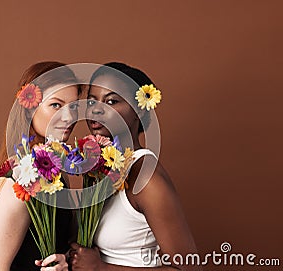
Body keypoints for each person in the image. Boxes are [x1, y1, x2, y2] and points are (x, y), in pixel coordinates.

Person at [70, 62, 199, 271]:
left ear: (139, 110)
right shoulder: (100, 170)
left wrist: (102, 268)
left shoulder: (146, 177)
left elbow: (188, 269)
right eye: (92, 102)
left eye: (111, 101)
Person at [0, 61, 81, 271]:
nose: (69, 116)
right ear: (29, 109)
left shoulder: (54, 171)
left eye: (73, 106)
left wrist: (66, 261)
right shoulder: (19, 179)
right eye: (56, 105)